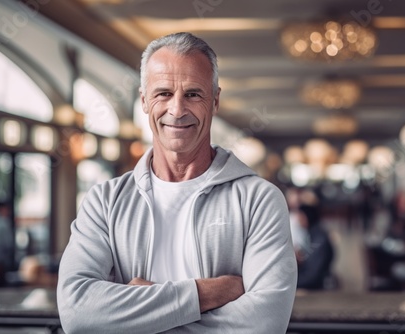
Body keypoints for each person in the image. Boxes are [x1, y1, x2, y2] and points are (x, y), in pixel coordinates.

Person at [57, 32, 297, 334]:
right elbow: (77, 312)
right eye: (163, 94)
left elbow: (264, 324)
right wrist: (206, 293)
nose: (178, 109)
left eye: (194, 94)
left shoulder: (259, 200)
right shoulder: (104, 202)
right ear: (144, 101)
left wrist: (136, 315)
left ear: (216, 101)